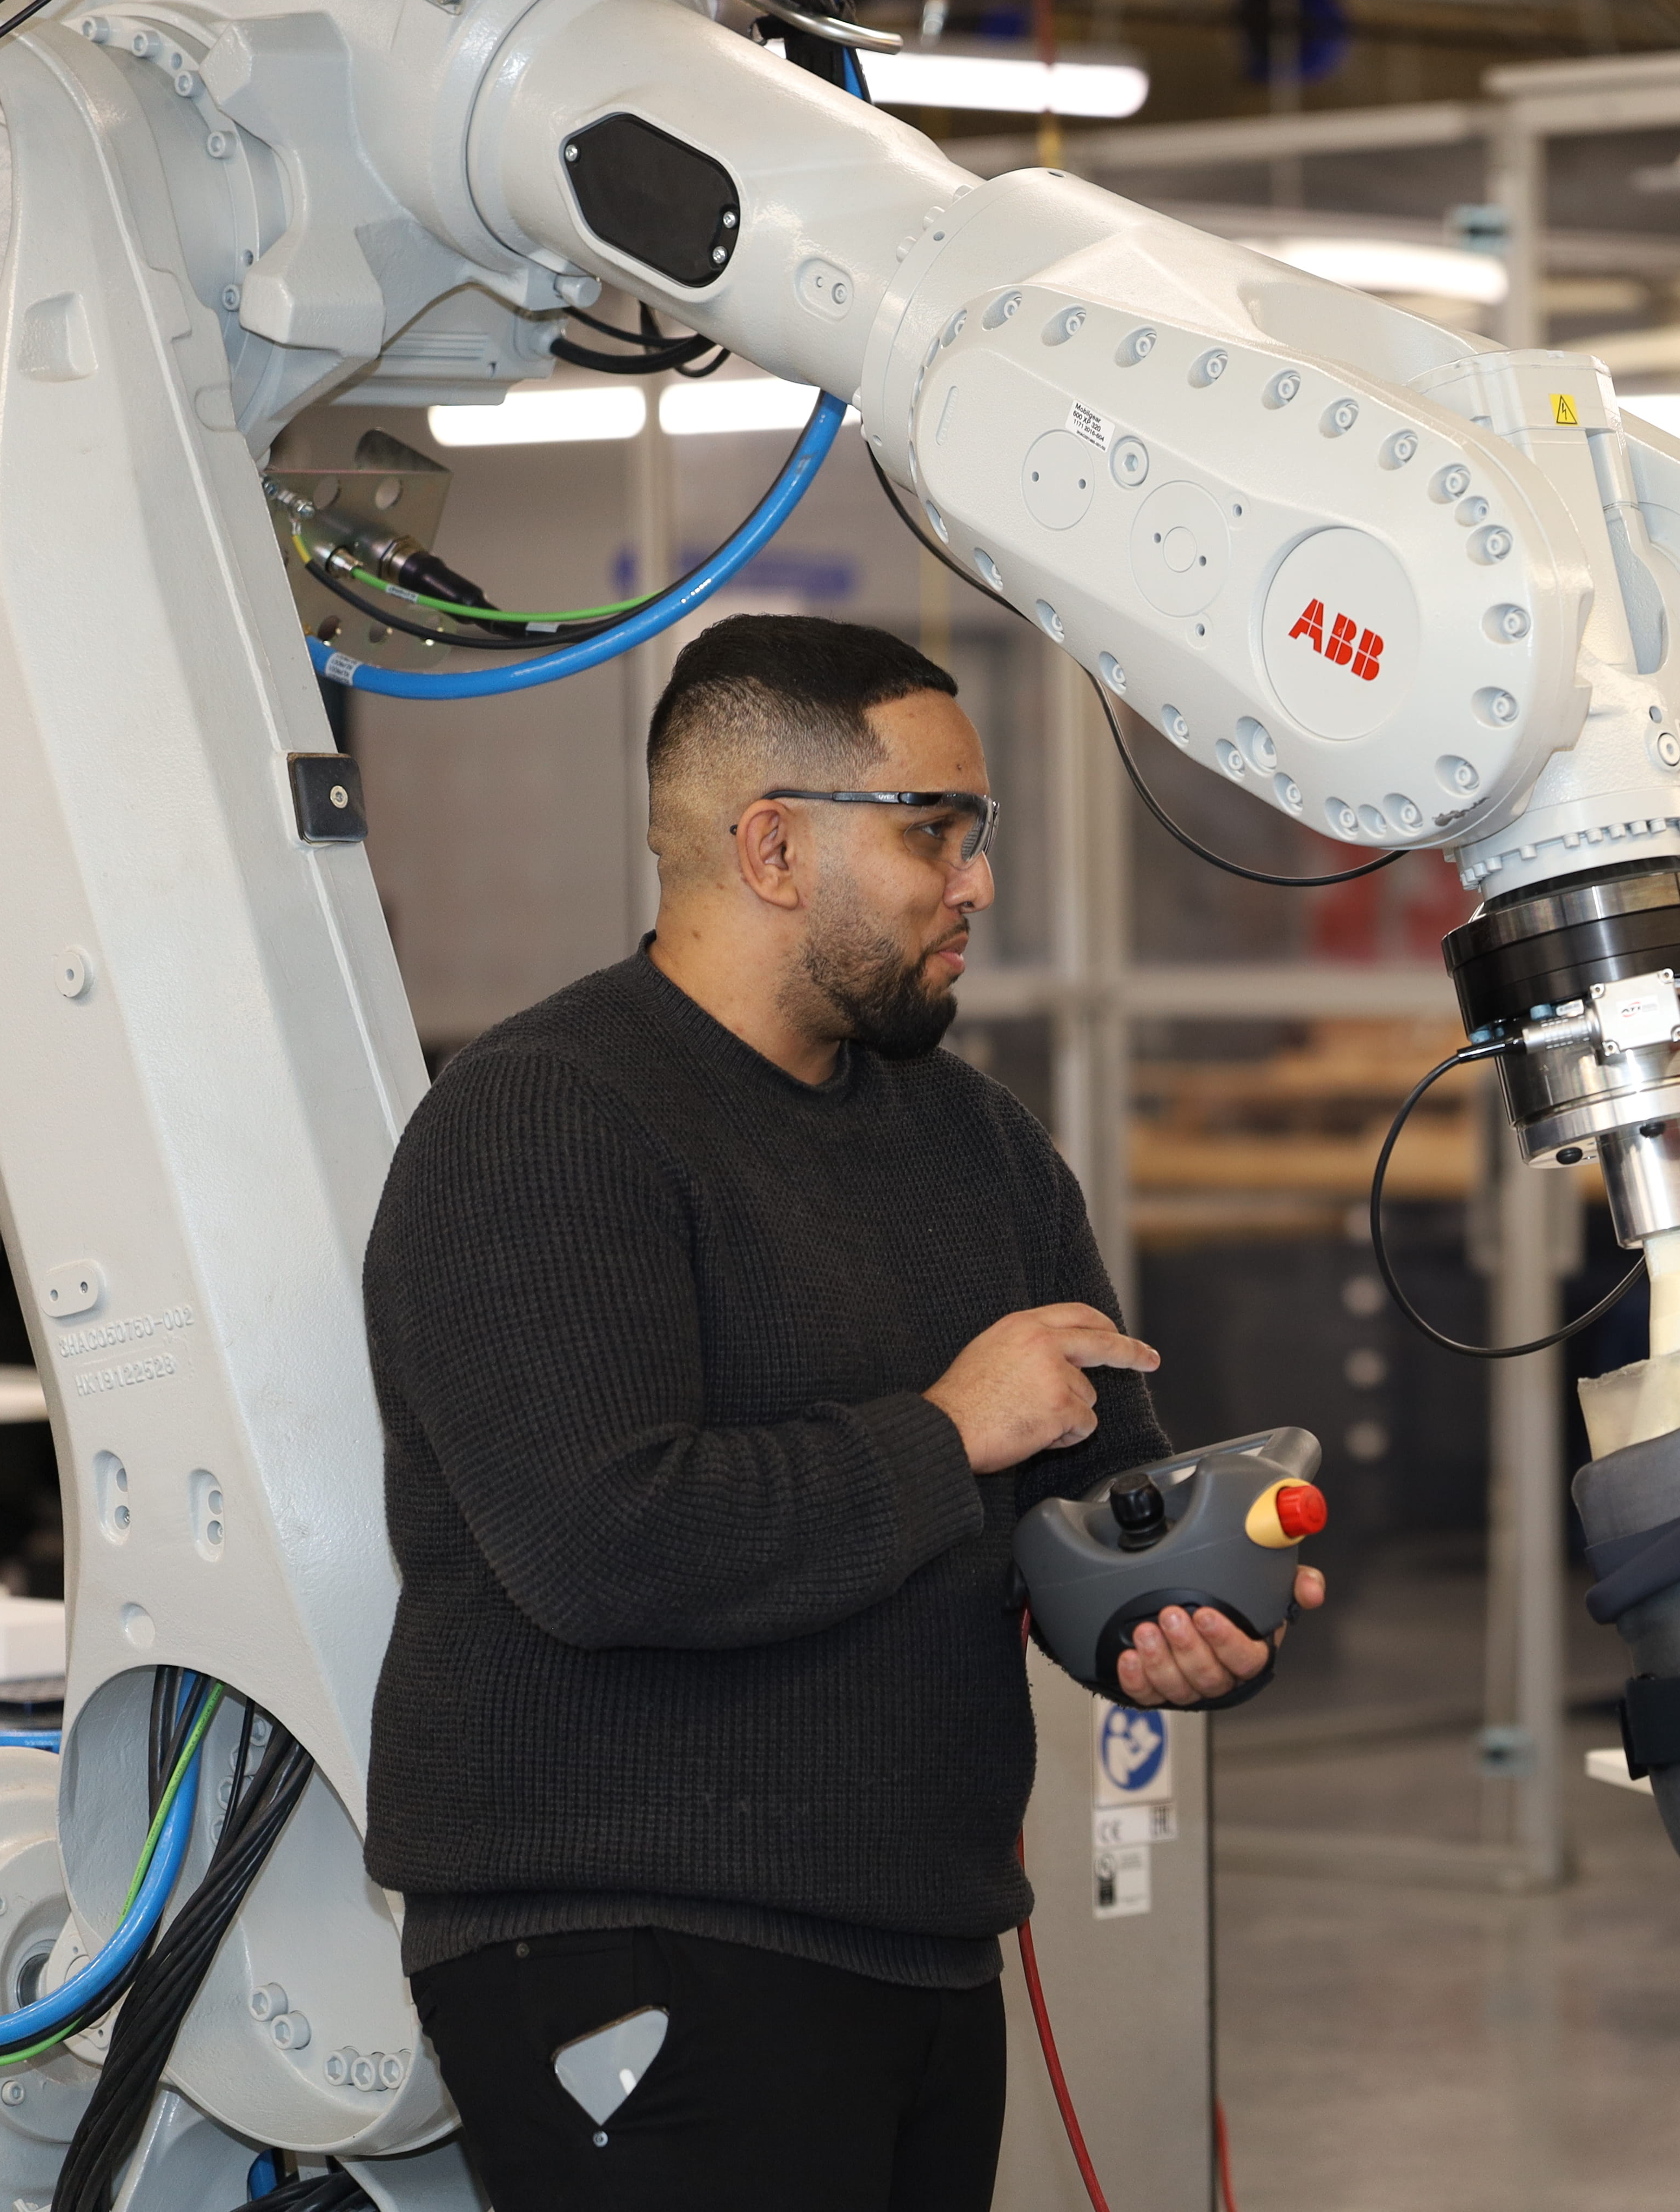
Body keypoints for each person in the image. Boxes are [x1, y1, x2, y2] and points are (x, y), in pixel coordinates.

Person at [362, 615, 1318, 2211]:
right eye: (935, 828)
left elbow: (1084, 1502)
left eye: (979, 832)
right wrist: (948, 1432)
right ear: (775, 845)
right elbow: (607, 1548)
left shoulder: (974, 1146)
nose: (979, 884)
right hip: (637, 1945)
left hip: (917, 1940)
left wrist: (1170, 1615)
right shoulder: (541, 1125)